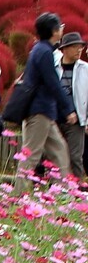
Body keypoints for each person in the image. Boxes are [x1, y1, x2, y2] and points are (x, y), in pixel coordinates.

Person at [15, 12, 75, 193]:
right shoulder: (43, 52)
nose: (63, 29)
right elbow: (53, 83)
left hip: (45, 111)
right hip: (39, 111)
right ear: (54, 31)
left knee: (59, 151)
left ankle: (65, 193)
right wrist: (68, 109)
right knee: (31, 155)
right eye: (60, 26)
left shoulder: (42, 50)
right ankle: (18, 197)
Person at [54, 32, 87, 179]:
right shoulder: (54, 67)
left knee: (75, 157)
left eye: (80, 47)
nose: (79, 50)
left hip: (76, 120)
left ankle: (78, 193)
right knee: (54, 156)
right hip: (55, 119)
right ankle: (53, 188)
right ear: (64, 49)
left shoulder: (85, 69)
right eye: (75, 47)